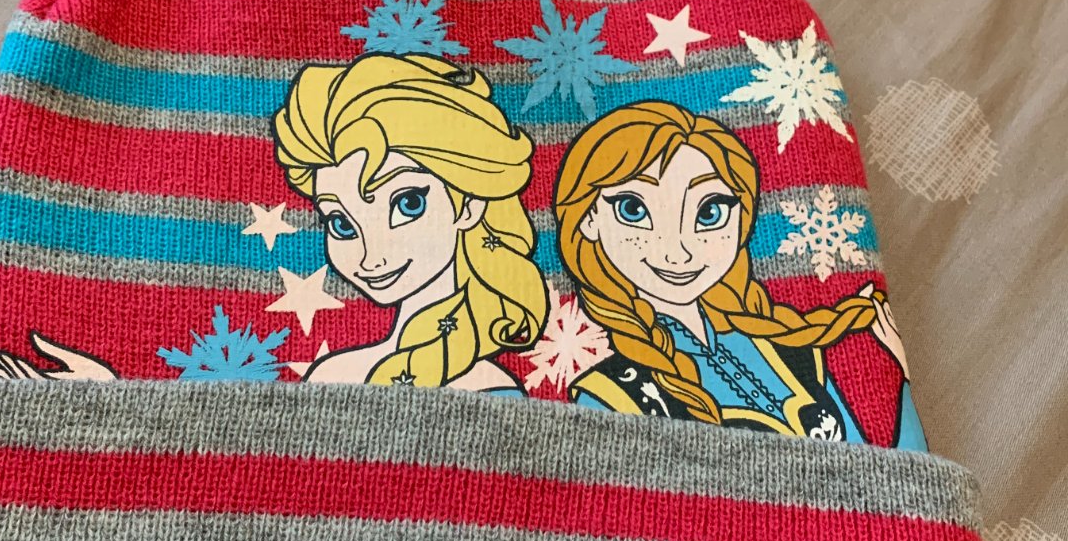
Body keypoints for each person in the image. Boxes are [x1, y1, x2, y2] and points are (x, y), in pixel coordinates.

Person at [553, 99, 926, 447]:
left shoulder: (782, 343)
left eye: (709, 213)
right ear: (589, 218)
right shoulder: (610, 394)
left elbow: (871, 475)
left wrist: (894, 378)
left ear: (742, 220)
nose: (678, 252)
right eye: (634, 210)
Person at [272, 52, 548, 393]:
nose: (371, 258)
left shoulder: (490, 388)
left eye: (408, 204)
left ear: (469, 204)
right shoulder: (329, 374)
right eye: (341, 223)